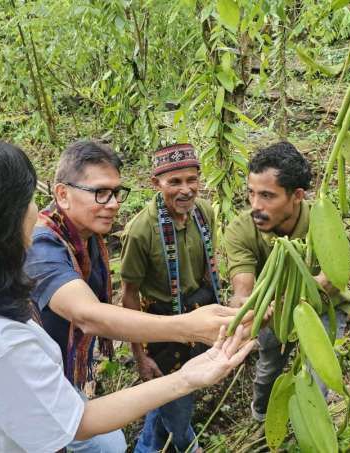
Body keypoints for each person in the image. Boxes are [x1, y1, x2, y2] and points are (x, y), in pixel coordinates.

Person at [0, 135, 254, 453]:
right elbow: (89, 319)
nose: (35, 212)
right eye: (27, 200)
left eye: (116, 192)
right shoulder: (1, 337)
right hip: (35, 403)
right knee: (107, 443)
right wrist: (187, 342)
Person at [24, 140, 247, 452]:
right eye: (100, 192)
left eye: (116, 192)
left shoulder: (86, 239)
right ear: (62, 194)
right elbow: (88, 315)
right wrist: (185, 329)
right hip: (37, 380)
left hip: (64, 370)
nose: (113, 203)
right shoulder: (44, 246)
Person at [223, 141, 350, 422]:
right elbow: (243, 287)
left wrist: (287, 297)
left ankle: (310, 427)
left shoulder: (324, 222)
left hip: (324, 309)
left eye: (267, 196)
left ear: (297, 195)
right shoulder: (241, 231)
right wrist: (247, 307)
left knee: (319, 378)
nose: (256, 206)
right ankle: (261, 418)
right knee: (268, 370)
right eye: (251, 194)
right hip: (272, 313)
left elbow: (330, 280)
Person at [120, 144, 220, 453]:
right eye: (174, 182)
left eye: (192, 180)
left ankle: (147, 447)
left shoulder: (203, 213)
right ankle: (187, 445)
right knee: (175, 394)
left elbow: (208, 270)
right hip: (160, 325)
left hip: (196, 312)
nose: (185, 190)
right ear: (156, 183)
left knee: (171, 392)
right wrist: (140, 355)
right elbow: (130, 295)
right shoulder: (141, 232)